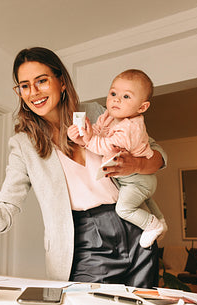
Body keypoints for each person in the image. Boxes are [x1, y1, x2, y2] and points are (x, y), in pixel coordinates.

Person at [0, 47, 167, 288]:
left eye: (41, 81)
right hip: (84, 240)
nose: (33, 92)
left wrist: (136, 164)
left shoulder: (96, 112)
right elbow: (2, 215)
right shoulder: (23, 145)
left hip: (136, 225)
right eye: (24, 86)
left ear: (61, 81)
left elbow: (159, 157)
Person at [67, 69, 167, 249]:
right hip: (128, 179)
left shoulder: (131, 127)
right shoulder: (108, 116)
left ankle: (152, 225)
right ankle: (160, 219)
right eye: (113, 93)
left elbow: (108, 147)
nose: (116, 99)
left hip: (138, 179)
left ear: (142, 107)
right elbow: (97, 132)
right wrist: (82, 137)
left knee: (124, 209)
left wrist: (88, 140)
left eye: (126, 96)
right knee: (144, 200)